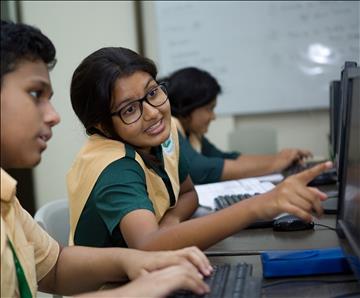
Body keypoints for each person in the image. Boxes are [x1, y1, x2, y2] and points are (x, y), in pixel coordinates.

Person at [0, 20, 212, 298]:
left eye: (152, 93)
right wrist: (138, 290)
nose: (54, 116)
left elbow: (55, 269)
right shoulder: (113, 165)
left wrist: (135, 261)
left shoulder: (6, 197)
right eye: (35, 94)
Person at [67, 46, 332, 252]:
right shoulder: (114, 167)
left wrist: (172, 221)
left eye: (152, 93)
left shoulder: (161, 136)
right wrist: (259, 205)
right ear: (101, 125)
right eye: (130, 109)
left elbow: (188, 193)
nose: (152, 113)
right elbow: (148, 246)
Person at [164, 67, 313, 184]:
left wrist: (280, 158)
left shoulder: (190, 132)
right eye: (209, 108)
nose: (213, 116)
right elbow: (200, 169)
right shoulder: (168, 127)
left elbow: (226, 158)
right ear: (188, 107)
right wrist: (275, 164)